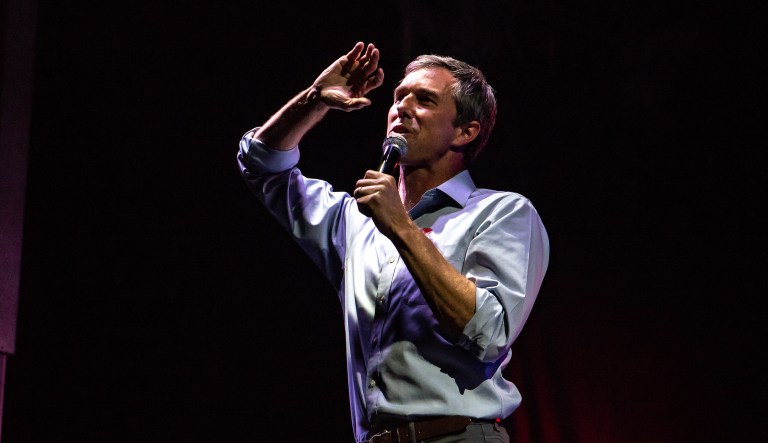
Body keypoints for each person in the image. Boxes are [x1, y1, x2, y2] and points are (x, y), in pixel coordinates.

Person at [237, 42, 549, 443]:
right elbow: (260, 165)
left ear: (465, 131)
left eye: (424, 100)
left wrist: (400, 226)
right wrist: (315, 99)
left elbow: (489, 334)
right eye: (399, 96)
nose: (401, 107)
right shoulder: (354, 223)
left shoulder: (501, 212)